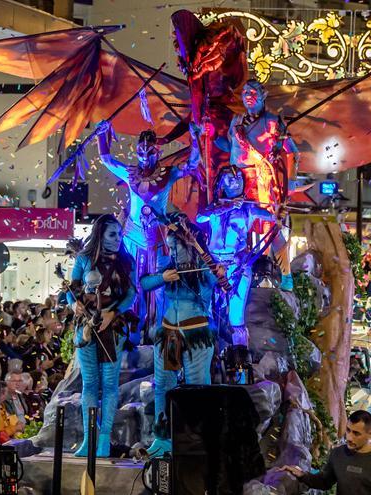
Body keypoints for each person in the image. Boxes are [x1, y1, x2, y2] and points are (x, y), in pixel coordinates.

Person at [94, 119, 200, 332]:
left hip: (158, 238)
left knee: (160, 287)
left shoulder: (168, 174)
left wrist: (195, 138)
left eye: (149, 153)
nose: (144, 158)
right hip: (133, 238)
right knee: (130, 286)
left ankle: (159, 331)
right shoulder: (130, 173)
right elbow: (106, 159)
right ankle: (130, 330)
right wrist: (101, 134)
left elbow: (192, 164)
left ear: (157, 152)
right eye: (140, 154)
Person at [140, 213, 224, 456]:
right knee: (163, 387)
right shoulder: (167, 263)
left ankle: (196, 439)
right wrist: (162, 277)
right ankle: (162, 437)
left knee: (197, 387)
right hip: (168, 333)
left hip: (196, 333)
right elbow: (144, 284)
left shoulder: (205, 265)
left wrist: (218, 272)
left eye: (178, 245)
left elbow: (219, 279)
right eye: (171, 245)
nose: (174, 250)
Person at [65, 214, 138, 458]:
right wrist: (73, 304)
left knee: (109, 385)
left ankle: (104, 439)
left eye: (119, 234)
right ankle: (90, 438)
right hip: (86, 326)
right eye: (112, 234)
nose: (118, 239)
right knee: (89, 384)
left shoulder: (127, 261)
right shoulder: (84, 258)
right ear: (100, 234)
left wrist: (113, 313)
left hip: (113, 328)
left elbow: (132, 295)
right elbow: (72, 290)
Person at [227, 79, 299, 290]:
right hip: (236, 182)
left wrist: (291, 179)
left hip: (262, 181)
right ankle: (237, 271)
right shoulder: (236, 121)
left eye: (253, 91)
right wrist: (207, 134)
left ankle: (286, 274)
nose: (248, 94)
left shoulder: (273, 121)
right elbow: (228, 147)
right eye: (245, 91)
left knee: (270, 228)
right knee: (235, 227)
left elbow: (292, 151)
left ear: (263, 95)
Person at [196, 165, 276, 345]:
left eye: (239, 177)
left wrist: (280, 214)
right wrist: (227, 207)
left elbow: (272, 217)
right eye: (230, 178)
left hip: (237, 264)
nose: (236, 181)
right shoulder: (216, 206)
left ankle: (240, 355)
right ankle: (205, 350)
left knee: (236, 315)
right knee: (206, 310)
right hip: (212, 263)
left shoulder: (248, 208)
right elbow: (200, 217)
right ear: (221, 184)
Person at [278, 410, 371, 495]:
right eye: (348, 430)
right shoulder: (338, 454)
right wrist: (302, 475)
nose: (349, 438)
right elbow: (324, 482)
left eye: (356, 433)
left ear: (370, 433)